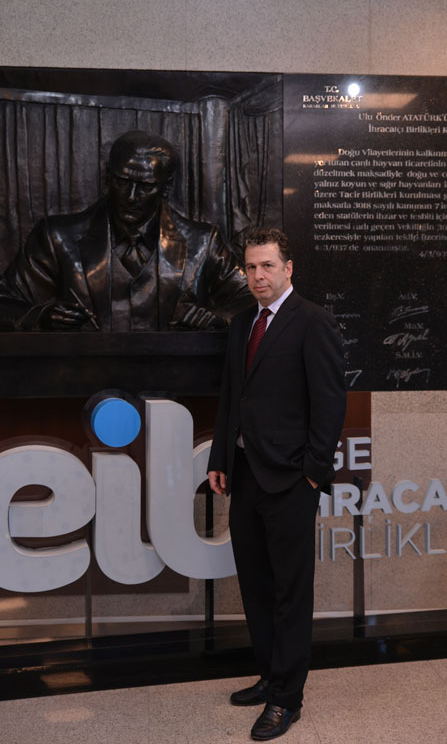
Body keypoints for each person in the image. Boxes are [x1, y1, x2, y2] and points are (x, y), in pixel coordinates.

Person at [208, 227, 345, 741]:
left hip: (290, 480)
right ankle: (269, 676)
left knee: (290, 590)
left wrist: (312, 473)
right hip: (244, 474)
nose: (258, 276)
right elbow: (232, 396)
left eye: (267, 266)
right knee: (256, 584)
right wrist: (221, 458)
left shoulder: (313, 321)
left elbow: (329, 404)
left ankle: (287, 698)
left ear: (288, 268)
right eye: (250, 267)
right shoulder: (243, 322)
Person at [0, 130, 252, 331]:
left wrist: (220, 318)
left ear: (166, 187)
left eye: (145, 186)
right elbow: (5, 301)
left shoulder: (203, 242)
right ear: (108, 177)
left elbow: (253, 298)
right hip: (79, 376)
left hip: (177, 375)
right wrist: (39, 316)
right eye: (122, 181)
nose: (131, 197)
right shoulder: (56, 237)